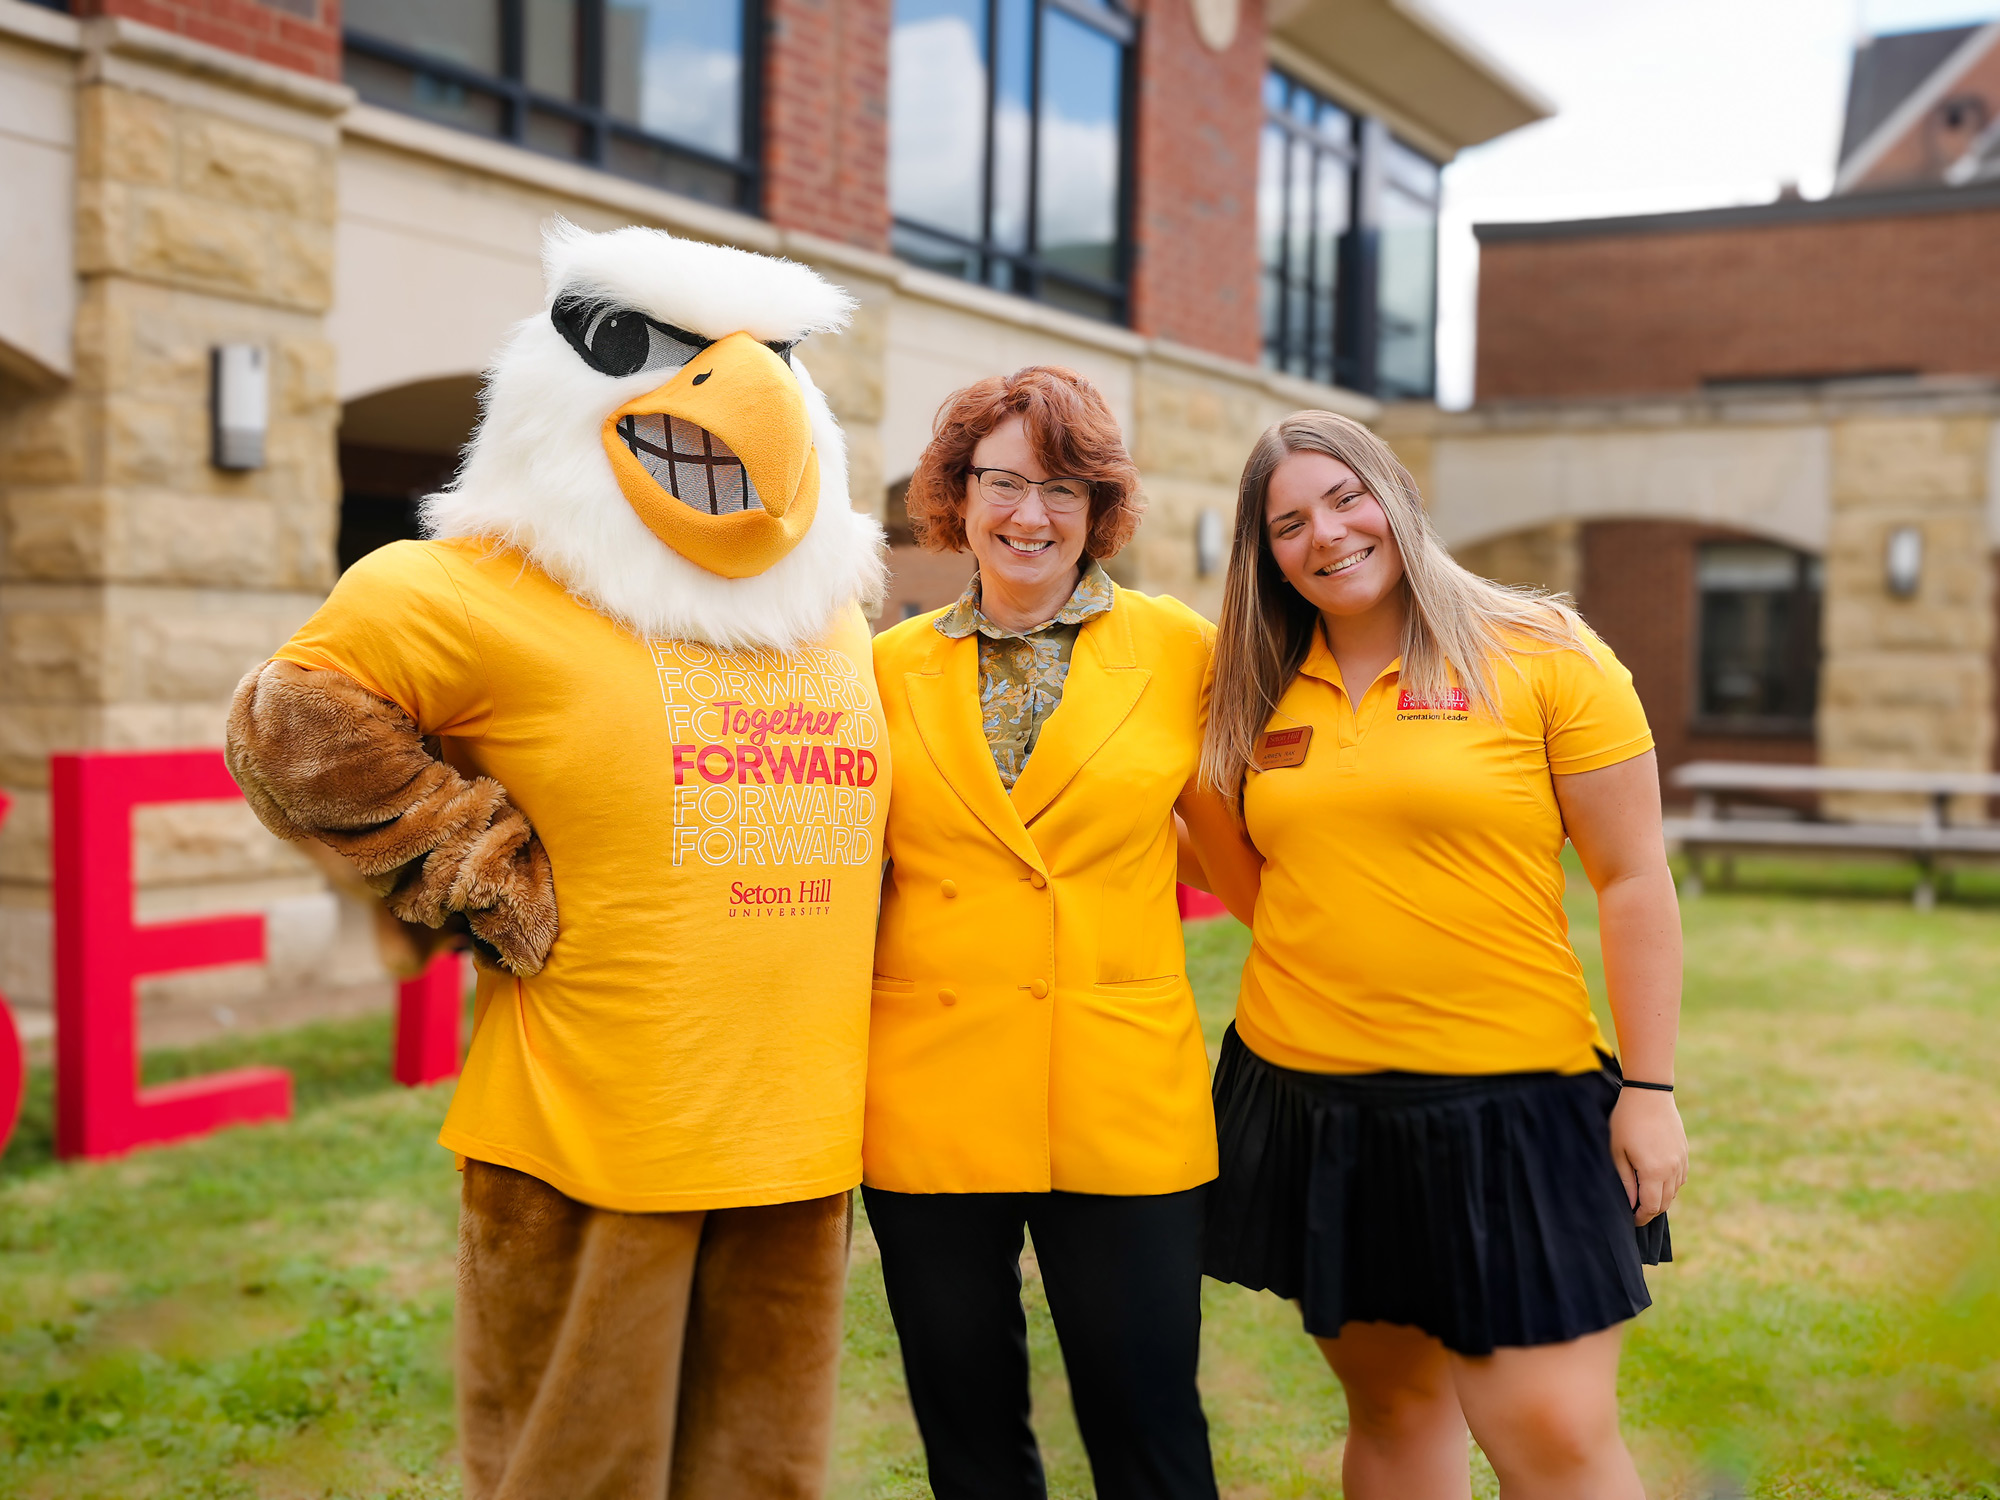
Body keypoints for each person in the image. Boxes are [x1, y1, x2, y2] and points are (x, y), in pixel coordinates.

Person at [1198, 410, 1688, 1500]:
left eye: (1341, 499)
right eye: (1285, 524)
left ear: (1395, 497)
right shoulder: (1252, 687)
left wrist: (1648, 1088)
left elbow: (1631, 879)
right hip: (1316, 1106)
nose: (1322, 536)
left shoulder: (1543, 653)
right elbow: (1262, 894)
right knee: (1391, 1410)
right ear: (1262, 553)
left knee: (1551, 1431)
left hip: (1514, 1106)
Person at [862, 366, 1251, 1500]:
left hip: (1121, 1101)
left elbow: (1248, 862)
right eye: (1001, 483)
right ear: (955, 493)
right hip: (930, 1095)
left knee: (1149, 1426)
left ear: (1099, 510)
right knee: (966, 1429)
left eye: (1061, 489)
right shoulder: (882, 668)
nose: (1028, 515)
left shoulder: (1182, 651)